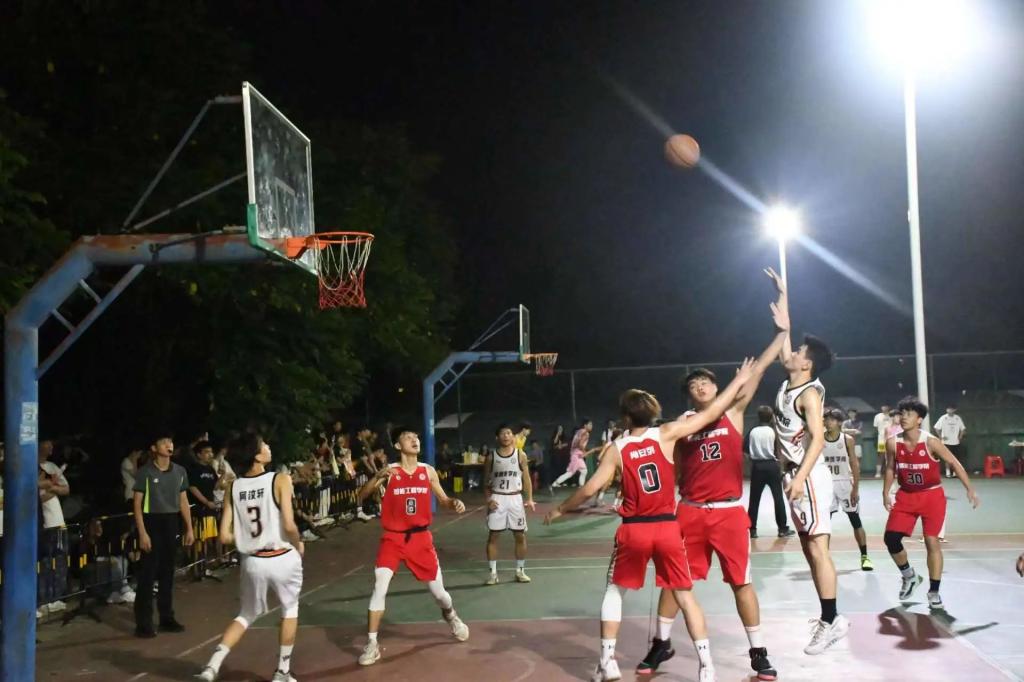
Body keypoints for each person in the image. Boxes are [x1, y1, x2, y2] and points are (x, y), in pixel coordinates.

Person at [545, 362, 754, 682]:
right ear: (653, 412)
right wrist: (739, 381)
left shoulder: (617, 448)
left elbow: (589, 489)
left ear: (625, 418)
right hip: (668, 528)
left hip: (634, 530)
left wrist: (561, 509)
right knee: (685, 595)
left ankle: (608, 662)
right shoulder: (667, 433)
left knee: (615, 592)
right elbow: (713, 413)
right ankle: (707, 666)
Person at [641, 282, 788, 680]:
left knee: (741, 582)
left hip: (728, 513)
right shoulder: (683, 425)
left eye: (705, 381)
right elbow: (666, 461)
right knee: (675, 582)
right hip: (689, 512)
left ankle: (758, 651)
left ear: (717, 387)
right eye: (693, 385)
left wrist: (781, 331)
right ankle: (661, 643)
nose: (700, 386)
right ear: (689, 396)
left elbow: (759, 369)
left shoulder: (733, 414)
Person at [769, 267, 848, 655]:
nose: (794, 354)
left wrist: (799, 478)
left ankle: (833, 621)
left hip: (809, 477)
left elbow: (818, 438)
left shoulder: (809, 395)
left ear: (808, 365)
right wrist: (783, 298)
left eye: (800, 352)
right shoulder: (791, 381)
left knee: (818, 549)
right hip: (794, 477)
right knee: (808, 548)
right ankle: (828, 616)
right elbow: (783, 343)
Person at [357, 427, 470, 666]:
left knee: (440, 594)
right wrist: (377, 476)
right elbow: (361, 495)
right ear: (398, 446)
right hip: (393, 538)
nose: (414, 440)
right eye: (408, 438)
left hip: (420, 539)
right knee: (380, 585)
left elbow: (443, 499)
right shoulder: (390, 472)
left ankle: (451, 616)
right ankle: (372, 643)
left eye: (416, 437)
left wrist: (454, 502)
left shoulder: (427, 471)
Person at [197, 434, 304, 682]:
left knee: (245, 614)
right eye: (263, 445)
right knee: (290, 609)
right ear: (255, 455)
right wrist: (298, 543)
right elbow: (289, 524)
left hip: (253, 561)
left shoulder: (233, 487)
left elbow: (224, 536)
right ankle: (282, 672)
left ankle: (212, 666)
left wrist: (248, 539)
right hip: (282, 556)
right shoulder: (280, 479)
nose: (268, 446)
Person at [882, 397, 979, 609]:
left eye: (909, 414)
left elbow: (954, 463)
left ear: (919, 419)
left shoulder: (931, 442)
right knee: (891, 539)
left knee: (931, 541)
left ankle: (934, 591)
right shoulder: (893, 443)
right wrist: (885, 492)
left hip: (931, 496)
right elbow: (890, 468)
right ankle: (909, 576)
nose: (904, 417)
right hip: (906, 496)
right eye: (902, 413)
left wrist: (969, 489)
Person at [133, 434, 194, 638]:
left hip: (171, 521)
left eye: (171, 442)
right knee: (148, 573)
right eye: (164, 442)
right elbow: (137, 504)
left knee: (168, 571)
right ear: (154, 448)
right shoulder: (145, 472)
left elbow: (183, 500)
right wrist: (142, 532)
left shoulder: (180, 471)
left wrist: (189, 528)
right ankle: (143, 622)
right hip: (152, 521)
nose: (169, 445)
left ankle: (166, 617)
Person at [484, 424, 536, 585]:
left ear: (513, 436)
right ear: (497, 437)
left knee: (520, 535)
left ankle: (520, 571)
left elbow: (526, 479)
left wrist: (529, 498)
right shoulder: (491, 457)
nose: (506, 436)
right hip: (498, 498)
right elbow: (485, 482)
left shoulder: (520, 455)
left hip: (515, 498)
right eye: (502, 433)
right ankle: (493, 574)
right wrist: (488, 500)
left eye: (509, 433)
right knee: (493, 536)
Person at [823, 408, 872, 571]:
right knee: (824, 524)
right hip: (826, 485)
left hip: (845, 484)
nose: (827, 422)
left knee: (855, 520)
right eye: (826, 419)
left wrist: (855, 488)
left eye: (831, 419)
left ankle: (864, 556)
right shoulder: (819, 439)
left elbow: (854, 465)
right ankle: (824, 558)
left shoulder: (847, 440)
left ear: (839, 422)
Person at [746, 406, 792, 539]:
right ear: (771, 417)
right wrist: (781, 467)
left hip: (757, 466)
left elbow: (745, 449)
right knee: (778, 498)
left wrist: (753, 459)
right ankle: (782, 529)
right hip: (772, 466)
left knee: (754, 500)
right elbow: (778, 451)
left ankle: (752, 530)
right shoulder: (773, 431)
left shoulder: (752, 431)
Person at [38, 439, 70, 615]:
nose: (51, 448)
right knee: (45, 563)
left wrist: (52, 488)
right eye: (47, 444)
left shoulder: (52, 466)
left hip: (58, 522)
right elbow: (36, 497)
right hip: (44, 523)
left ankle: (57, 597)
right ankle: (44, 599)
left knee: (60, 560)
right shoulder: (32, 469)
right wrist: (51, 488)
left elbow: (65, 489)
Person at [551, 419, 600, 489]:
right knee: (570, 473)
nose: (591, 426)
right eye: (590, 424)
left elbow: (576, 443)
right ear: (585, 425)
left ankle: (581, 486)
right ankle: (555, 484)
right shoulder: (586, 433)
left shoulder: (579, 431)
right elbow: (580, 444)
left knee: (584, 471)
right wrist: (584, 452)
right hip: (577, 455)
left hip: (575, 453)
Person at [932, 406, 967, 478]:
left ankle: (955, 472)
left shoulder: (958, 418)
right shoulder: (943, 418)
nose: (949, 410)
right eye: (948, 409)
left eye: (951, 409)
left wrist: (960, 436)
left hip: (956, 442)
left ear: (954, 410)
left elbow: (963, 429)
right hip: (946, 442)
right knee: (947, 458)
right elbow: (936, 428)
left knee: (955, 458)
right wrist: (940, 437)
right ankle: (948, 473)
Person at [872, 405, 892, 478]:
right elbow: (875, 427)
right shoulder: (877, 416)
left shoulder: (892, 415)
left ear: (888, 407)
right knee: (881, 455)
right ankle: (878, 472)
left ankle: (893, 472)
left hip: (891, 438)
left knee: (892, 455)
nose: (884, 408)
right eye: (882, 406)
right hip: (881, 439)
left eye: (885, 406)